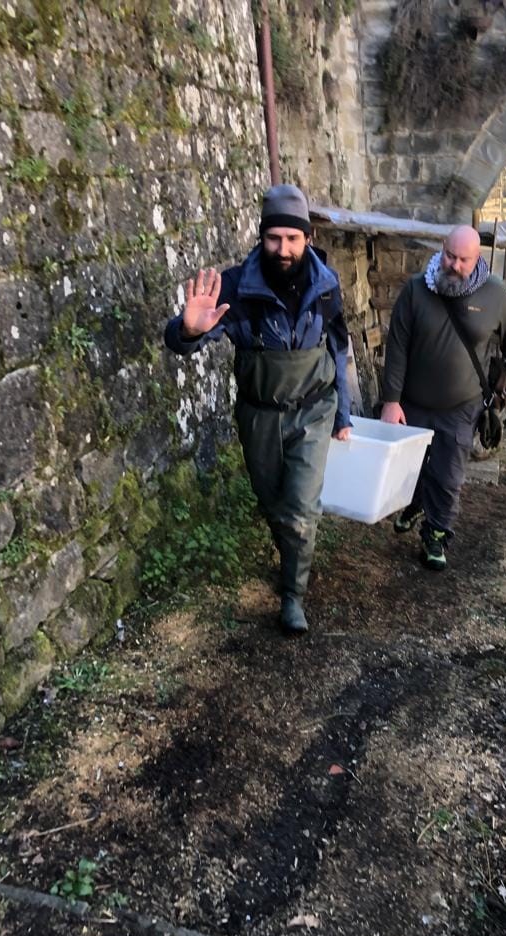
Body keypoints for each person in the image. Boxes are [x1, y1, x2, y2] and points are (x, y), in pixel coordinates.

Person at [165, 184, 351, 634]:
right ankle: (289, 548)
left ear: (307, 238)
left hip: (313, 410)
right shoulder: (237, 287)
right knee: (273, 502)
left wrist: (344, 414)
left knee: (301, 508)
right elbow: (184, 340)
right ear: (261, 236)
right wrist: (188, 331)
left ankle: (292, 596)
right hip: (259, 415)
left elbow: (338, 350)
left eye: (292, 238)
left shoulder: (326, 285)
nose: (283, 249)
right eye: (274, 238)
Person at [381, 225, 506, 571]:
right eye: (449, 256)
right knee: (411, 468)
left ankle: (436, 535)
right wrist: (391, 401)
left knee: (448, 476)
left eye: (463, 260)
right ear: (442, 248)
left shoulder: (494, 294)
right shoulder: (416, 290)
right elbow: (397, 347)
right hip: (413, 403)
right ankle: (417, 502)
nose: (454, 265)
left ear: (477, 257)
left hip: (461, 406)